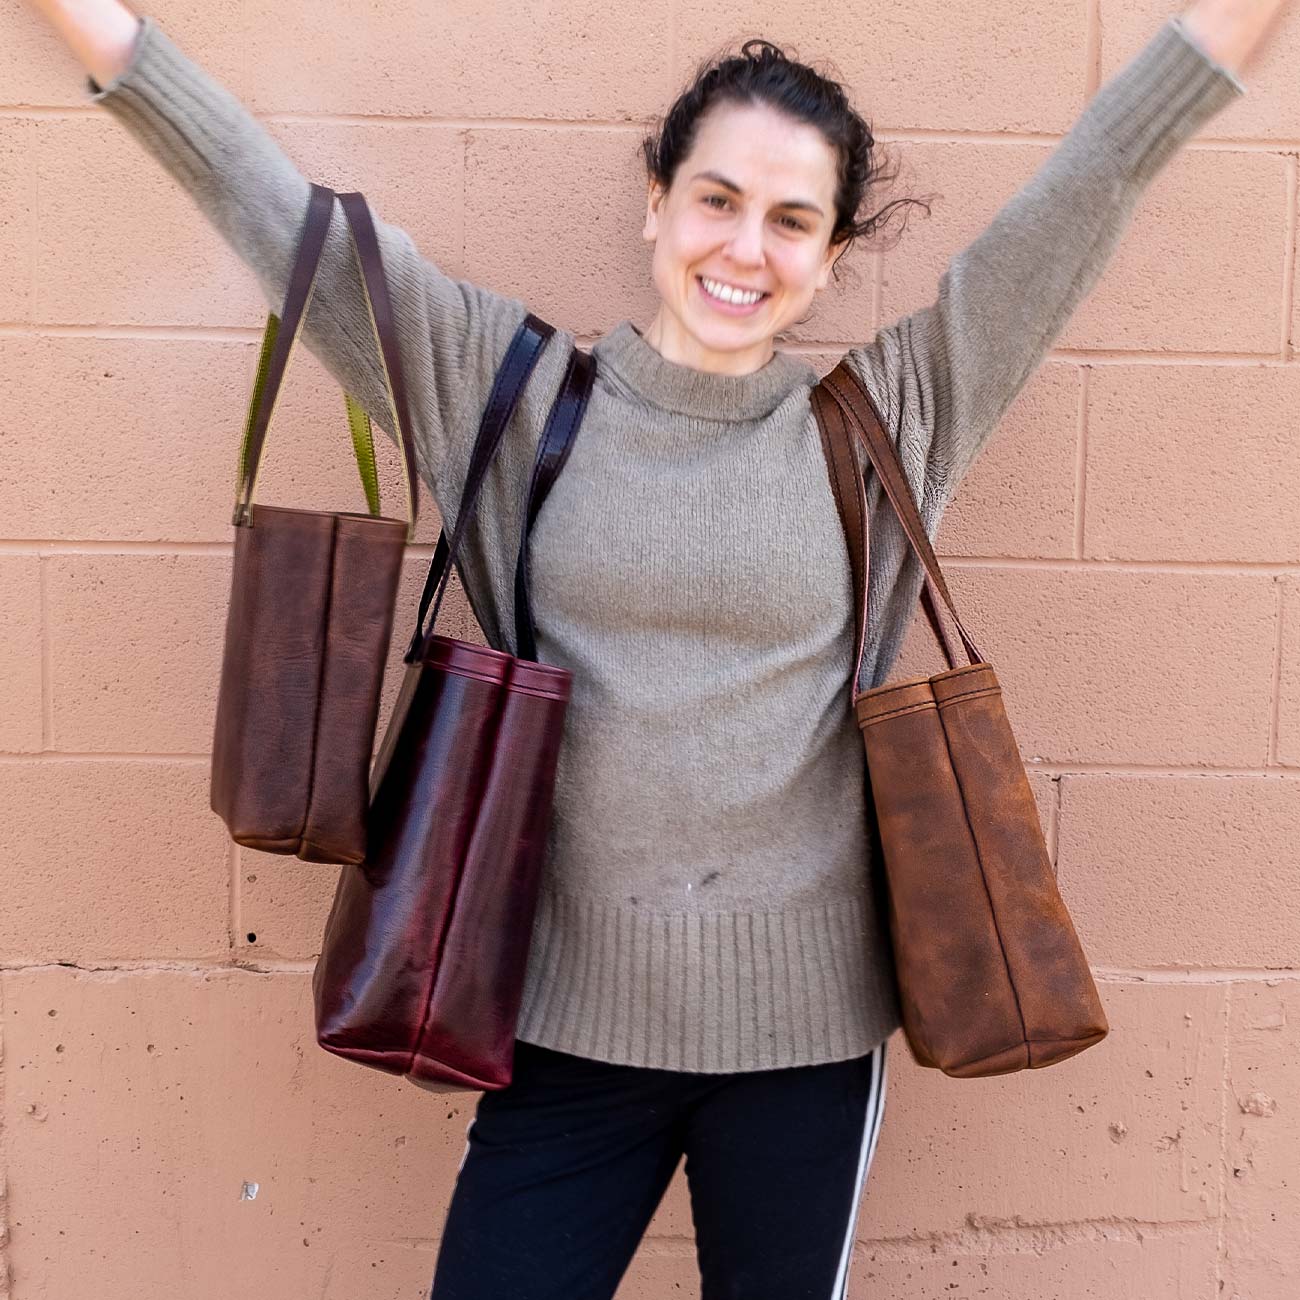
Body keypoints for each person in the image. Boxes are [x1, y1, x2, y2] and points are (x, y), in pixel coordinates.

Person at [21, 1, 1285, 1296]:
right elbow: (281, 219)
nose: (746, 248)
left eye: (792, 220)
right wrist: (104, 37)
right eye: (716, 199)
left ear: (835, 248)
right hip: (562, 1038)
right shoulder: (508, 395)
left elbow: (1089, 191)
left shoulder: (890, 418)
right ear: (656, 201)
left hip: (806, 1050)